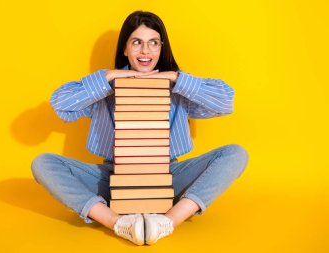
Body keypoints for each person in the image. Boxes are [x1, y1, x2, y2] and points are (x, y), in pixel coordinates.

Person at [31, 10, 248, 246]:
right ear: (125, 48)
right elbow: (60, 103)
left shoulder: (178, 88)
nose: (145, 51)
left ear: (161, 48)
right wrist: (109, 76)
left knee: (236, 154)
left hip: (168, 176)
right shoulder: (105, 88)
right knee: (42, 163)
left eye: (153, 43)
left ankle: (166, 222)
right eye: (137, 42)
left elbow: (226, 101)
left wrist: (176, 78)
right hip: (112, 178)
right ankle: (118, 222)